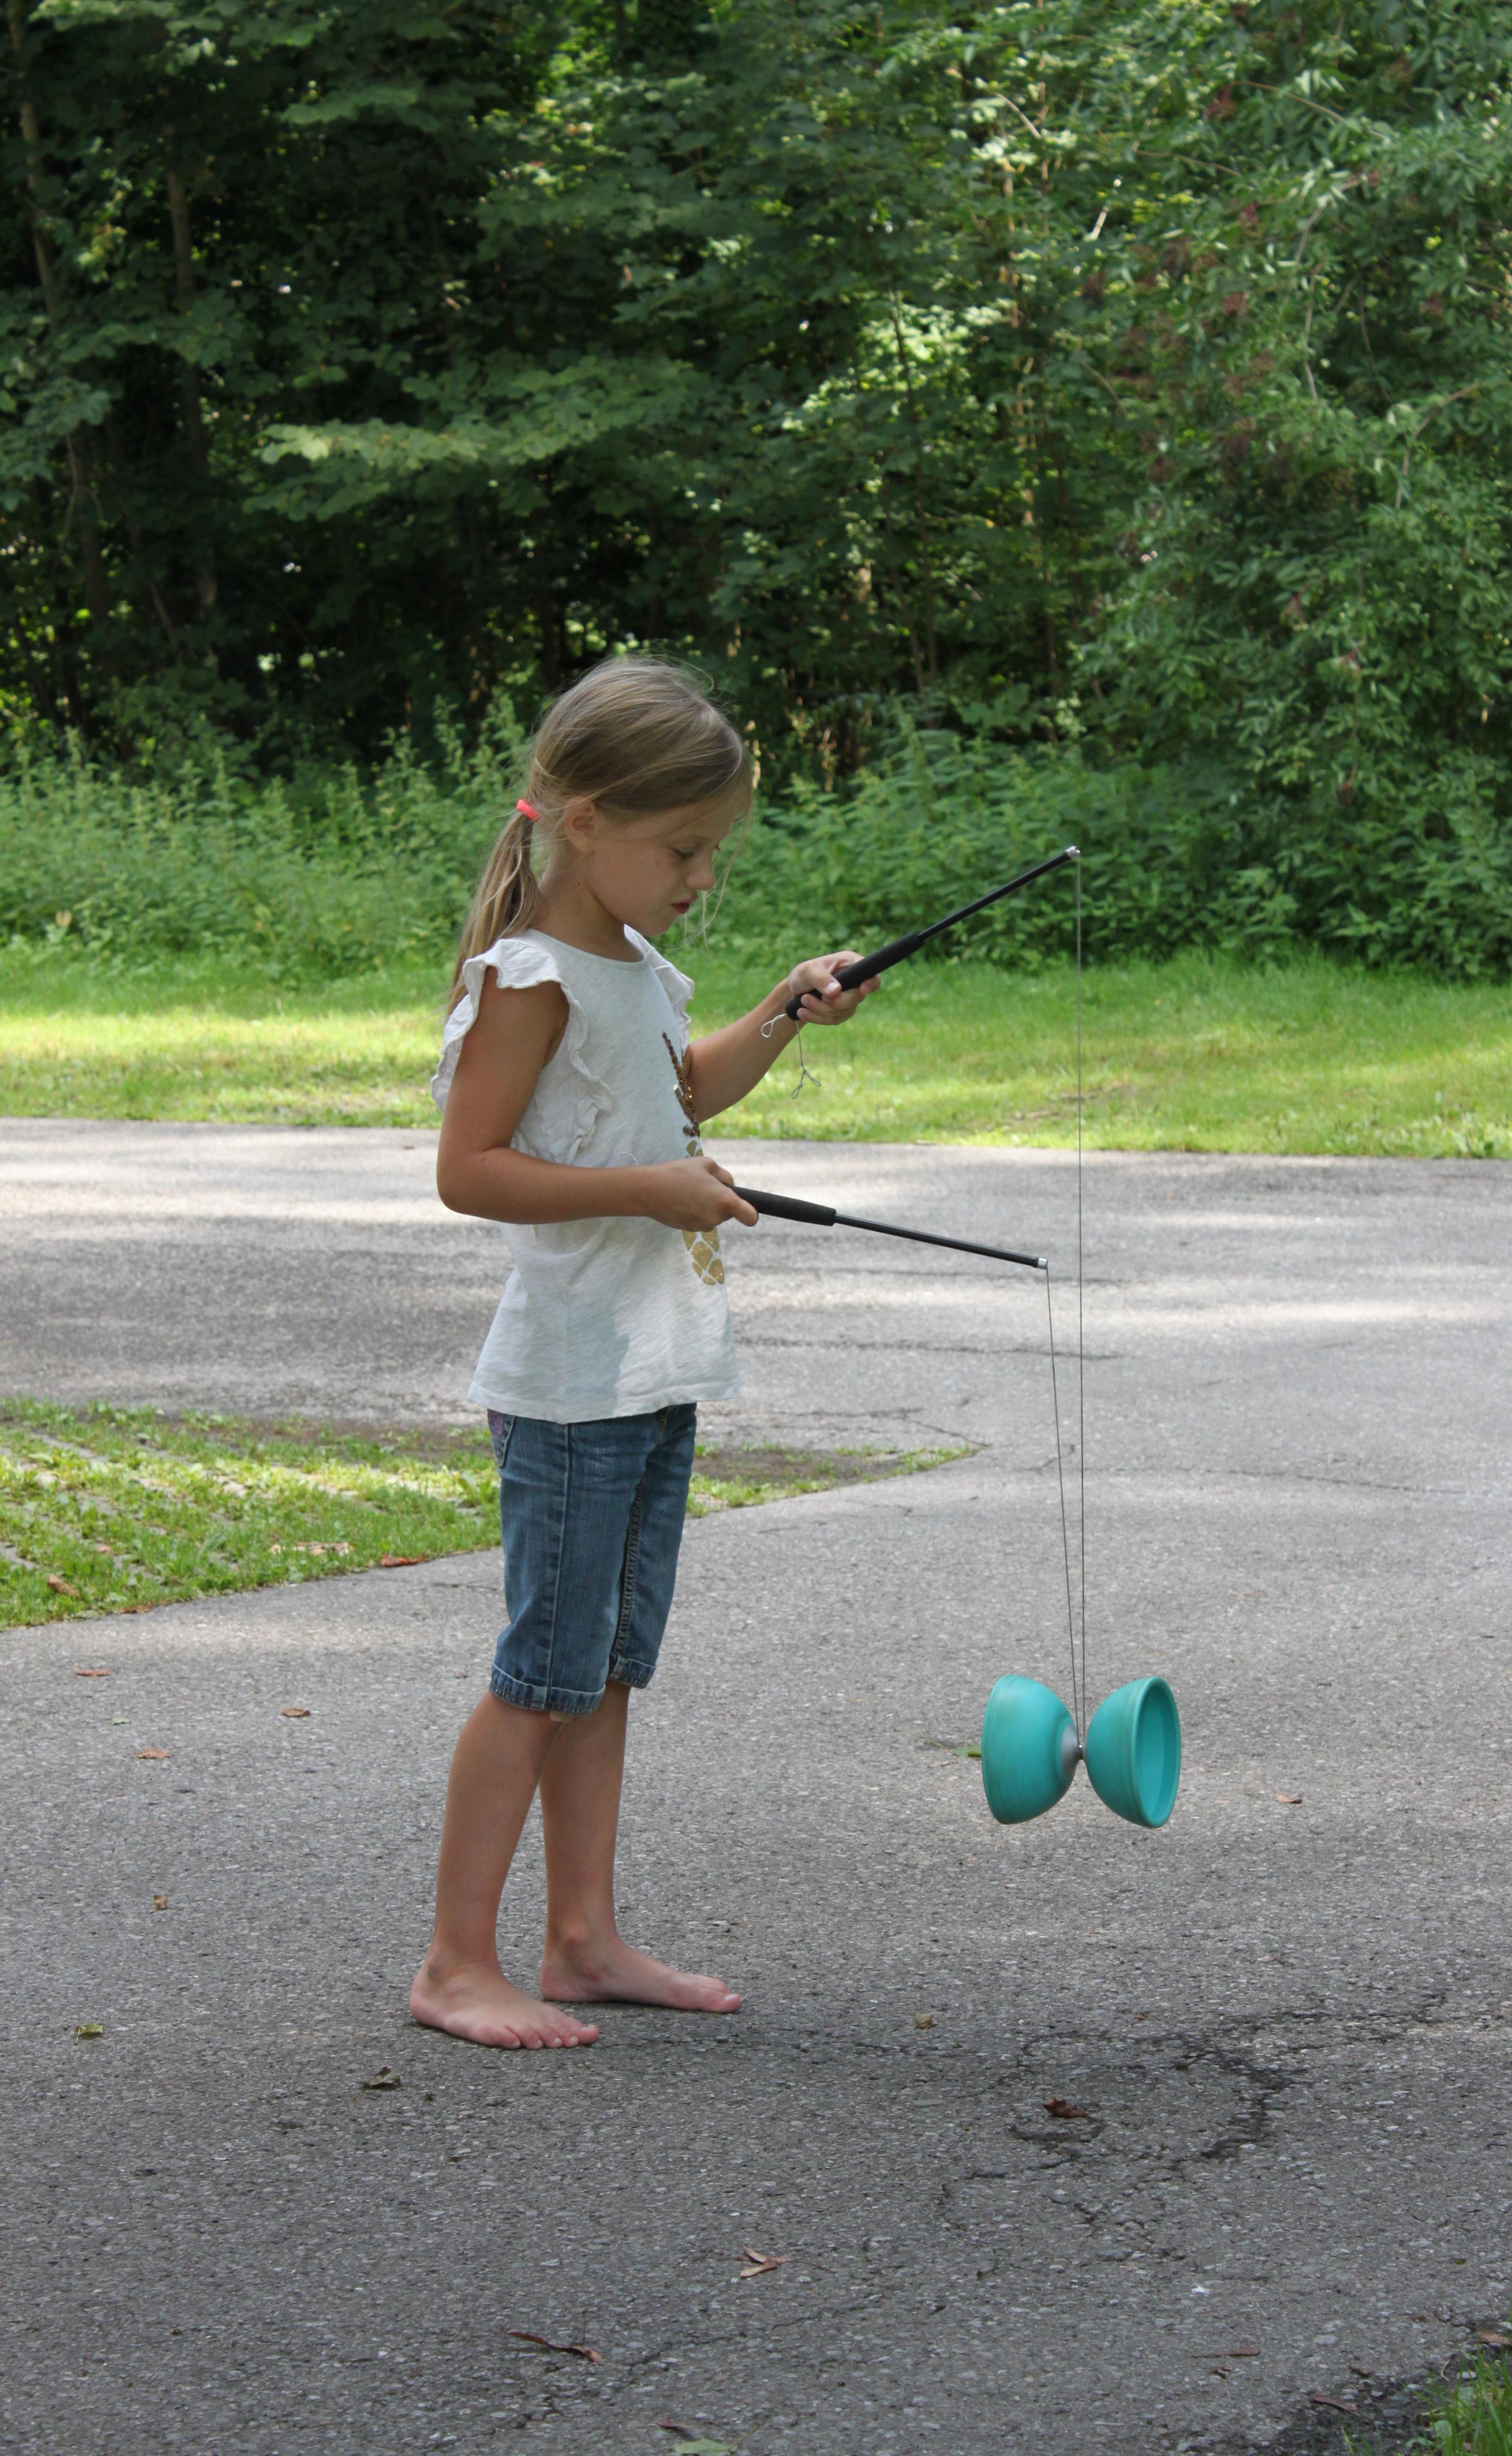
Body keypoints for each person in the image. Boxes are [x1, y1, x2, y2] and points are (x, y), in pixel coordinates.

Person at [409, 658, 876, 2049]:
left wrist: (786, 1007)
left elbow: (683, 1096)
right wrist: (652, 1191)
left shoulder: (631, 966)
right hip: (569, 1383)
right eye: (683, 848)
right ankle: (454, 1962)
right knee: (541, 1672)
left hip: (650, 1368)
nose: (701, 877)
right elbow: (468, 1170)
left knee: (606, 1665)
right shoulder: (531, 977)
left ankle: (582, 1936)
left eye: (713, 850)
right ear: (588, 821)